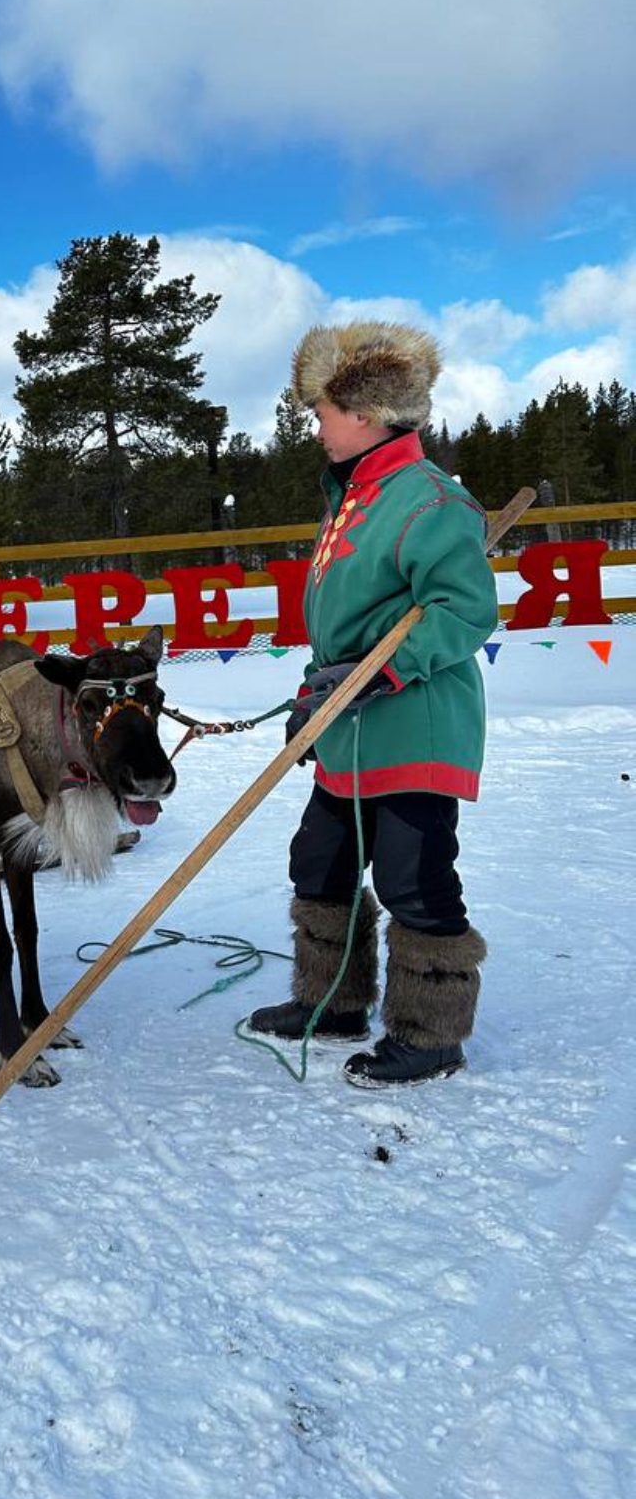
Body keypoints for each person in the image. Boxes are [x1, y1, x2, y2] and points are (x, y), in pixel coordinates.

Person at [245, 322, 499, 1087]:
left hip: (414, 725)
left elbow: (462, 612)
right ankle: (333, 1002)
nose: (315, 426)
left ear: (365, 413)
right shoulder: (354, 498)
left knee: (411, 877)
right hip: (348, 728)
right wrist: (314, 692)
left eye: (322, 412)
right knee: (318, 862)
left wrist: (377, 674)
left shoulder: (429, 502)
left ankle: (430, 1035)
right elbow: (341, 629)